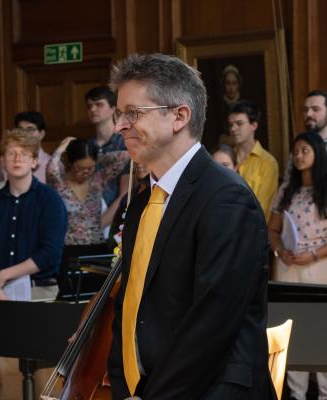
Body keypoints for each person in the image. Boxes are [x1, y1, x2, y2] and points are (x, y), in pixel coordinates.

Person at [107, 53, 274, 399]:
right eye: (119, 114)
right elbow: (131, 306)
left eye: (133, 113)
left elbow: (212, 323)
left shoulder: (226, 198)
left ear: (179, 116)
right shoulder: (142, 202)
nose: (119, 126)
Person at [0, 129, 67, 400]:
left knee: (45, 375)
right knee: (9, 374)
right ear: (3, 160)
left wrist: (3, 275)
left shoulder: (49, 200)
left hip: (41, 293)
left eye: (24, 154)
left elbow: (49, 254)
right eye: (11, 153)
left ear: (34, 162)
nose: (17, 159)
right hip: (2, 297)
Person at [268, 132, 327, 400]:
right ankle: (296, 394)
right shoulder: (286, 189)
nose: (299, 156)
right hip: (289, 266)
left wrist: (314, 255)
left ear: (318, 154)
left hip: (322, 266)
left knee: (325, 329)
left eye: (305, 150)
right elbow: (273, 229)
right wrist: (280, 250)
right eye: (296, 151)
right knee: (292, 330)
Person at [46, 137, 129, 248]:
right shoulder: (59, 182)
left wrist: (95, 157)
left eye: (90, 168)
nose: (85, 172)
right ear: (71, 162)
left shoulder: (98, 180)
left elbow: (124, 157)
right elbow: (51, 167)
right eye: (80, 167)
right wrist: (61, 148)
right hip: (67, 248)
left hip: (96, 246)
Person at [85, 86, 130, 224]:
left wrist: (100, 224)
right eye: (89, 106)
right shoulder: (87, 145)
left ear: (113, 109)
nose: (92, 109)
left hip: (118, 221)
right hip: (88, 217)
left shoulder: (124, 143)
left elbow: (125, 194)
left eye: (99, 104)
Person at [229, 99, 279, 218]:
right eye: (230, 124)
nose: (233, 128)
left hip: (252, 229)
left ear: (254, 125)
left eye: (239, 123)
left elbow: (262, 208)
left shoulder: (268, 162)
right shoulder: (225, 157)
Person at [0, 111, 52, 188]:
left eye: (30, 129)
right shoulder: (5, 162)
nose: (25, 134)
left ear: (41, 134)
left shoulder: (52, 164)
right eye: (20, 130)